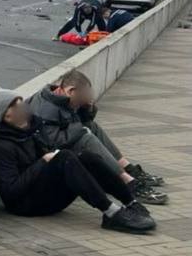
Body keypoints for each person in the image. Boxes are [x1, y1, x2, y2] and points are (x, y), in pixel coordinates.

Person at [0, 87, 155, 234]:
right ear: (4, 119)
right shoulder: (2, 147)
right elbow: (10, 192)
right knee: (65, 158)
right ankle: (111, 213)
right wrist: (44, 161)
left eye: (21, 109)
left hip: (42, 194)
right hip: (26, 205)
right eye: (13, 114)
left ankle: (130, 203)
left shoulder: (30, 130)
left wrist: (49, 157)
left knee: (85, 157)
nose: (22, 117)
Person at [26, 70, 167, 205]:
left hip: (59, 147)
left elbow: (82, 122)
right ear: (71, 91)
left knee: (92, 127)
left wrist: (87, 108)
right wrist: (80, 128)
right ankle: (128, 183)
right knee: (86, 137)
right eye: (82, 96)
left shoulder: (64, 98)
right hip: (47, 157)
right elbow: (52, 142)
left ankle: (129, 169)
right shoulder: (46, 109)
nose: (83, 99)